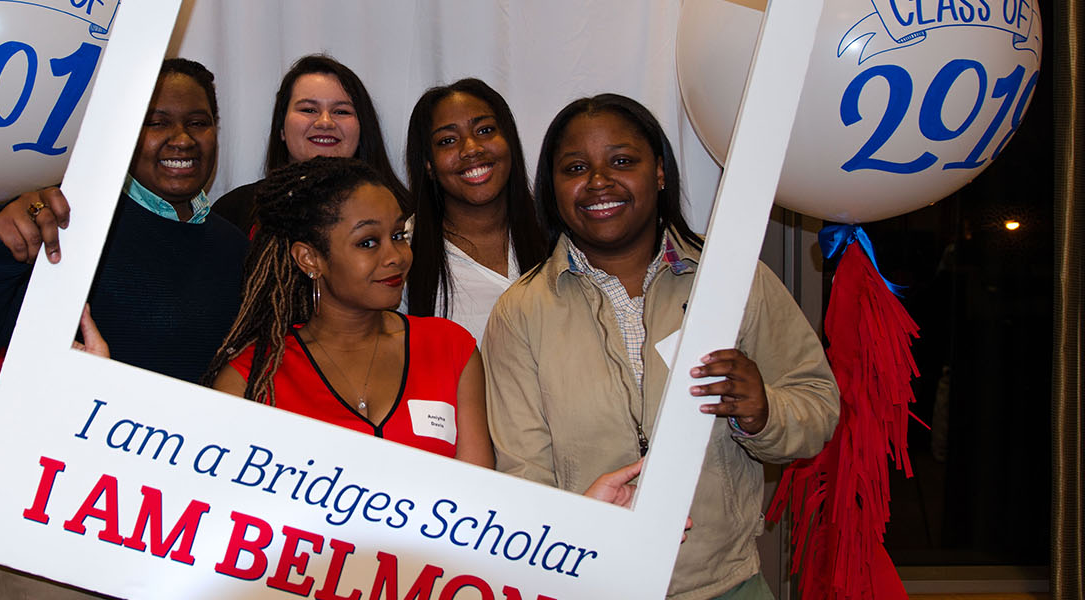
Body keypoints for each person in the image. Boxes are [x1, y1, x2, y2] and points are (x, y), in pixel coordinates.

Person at [482, 94, 840, 599]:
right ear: (553, 188)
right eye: (575, 167)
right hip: (588, 586)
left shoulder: (735, 282)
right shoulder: (520, 312)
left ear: (660, 174)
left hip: (726, 584)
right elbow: (524, 473)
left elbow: (817, 407)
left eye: (622, 161)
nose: (599, 181)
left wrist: (763, 412)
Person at [0, 58, 247, 387]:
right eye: (156, 122)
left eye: (197, 122)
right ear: (125, 130)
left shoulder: (235, 245)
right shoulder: (64, 223)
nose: (182, 139)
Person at [201, 156, 492, 466]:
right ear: (309, 259)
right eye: (367, 243)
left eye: (398, 236)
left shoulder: (451, 349)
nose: (395, 256)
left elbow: (481, 499)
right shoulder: (251, 378)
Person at [401, 78, 548, 342]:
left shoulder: (558, 231)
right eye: (447, 140)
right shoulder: (403, 252)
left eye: (485, 130)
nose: (471, 148)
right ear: (428, 165)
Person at [210, 54, 405, 232]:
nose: (325, 122)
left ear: (363, 127)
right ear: (281, 128)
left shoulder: (402, 211)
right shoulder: (233, 212)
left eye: (341, 111)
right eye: (309, 110)